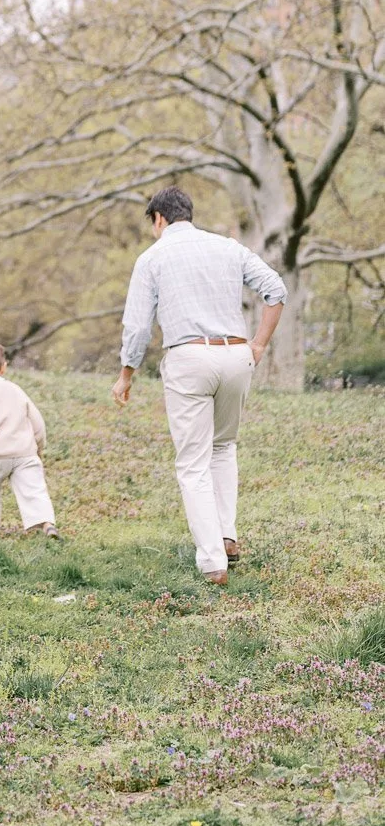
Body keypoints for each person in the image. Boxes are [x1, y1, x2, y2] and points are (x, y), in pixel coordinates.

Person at [113, 185, 286, 586]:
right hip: (235, 355)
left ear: (159, 219)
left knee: (192, 462)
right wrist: (258, 343)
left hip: (189, 357)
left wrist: (126, 374)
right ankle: (226, 535)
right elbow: (277, 290)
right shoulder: (228, 248)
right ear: (187, 213)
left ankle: (212, 562)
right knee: (223, 448)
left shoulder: (152, 257)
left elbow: (138, 325)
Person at [0, 339, 60, 539]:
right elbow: (37, 422)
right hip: (24, 453)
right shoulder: (16, 390)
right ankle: (47, 524)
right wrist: (39, 447)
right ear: (4, 367)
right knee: (34, 490)